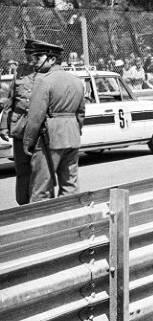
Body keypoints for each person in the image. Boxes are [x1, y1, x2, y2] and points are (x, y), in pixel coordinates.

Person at [21, 41, 86, 202]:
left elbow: (36, 116)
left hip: (49, 139)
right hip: (72, 138)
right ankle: (68, 222)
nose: (34, 62)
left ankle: (42, 225)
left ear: (51, 59)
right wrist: (76, 131)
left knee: (41, 188)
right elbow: (81, 114)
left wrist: (28, 141)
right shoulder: (76, 81)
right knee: (70, 186)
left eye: (38, 57)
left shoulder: (43, 81)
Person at [0, 40, 42, 205]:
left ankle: (38, 203)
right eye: (26, 53)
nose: (28, 57)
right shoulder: (21, 71)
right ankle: (23, 204)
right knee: (22, 168)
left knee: (39, 169)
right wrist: (4, 125)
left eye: (31, 54)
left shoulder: (45, 72)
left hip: (39, 128)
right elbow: (11, 99)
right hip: (20, 127)